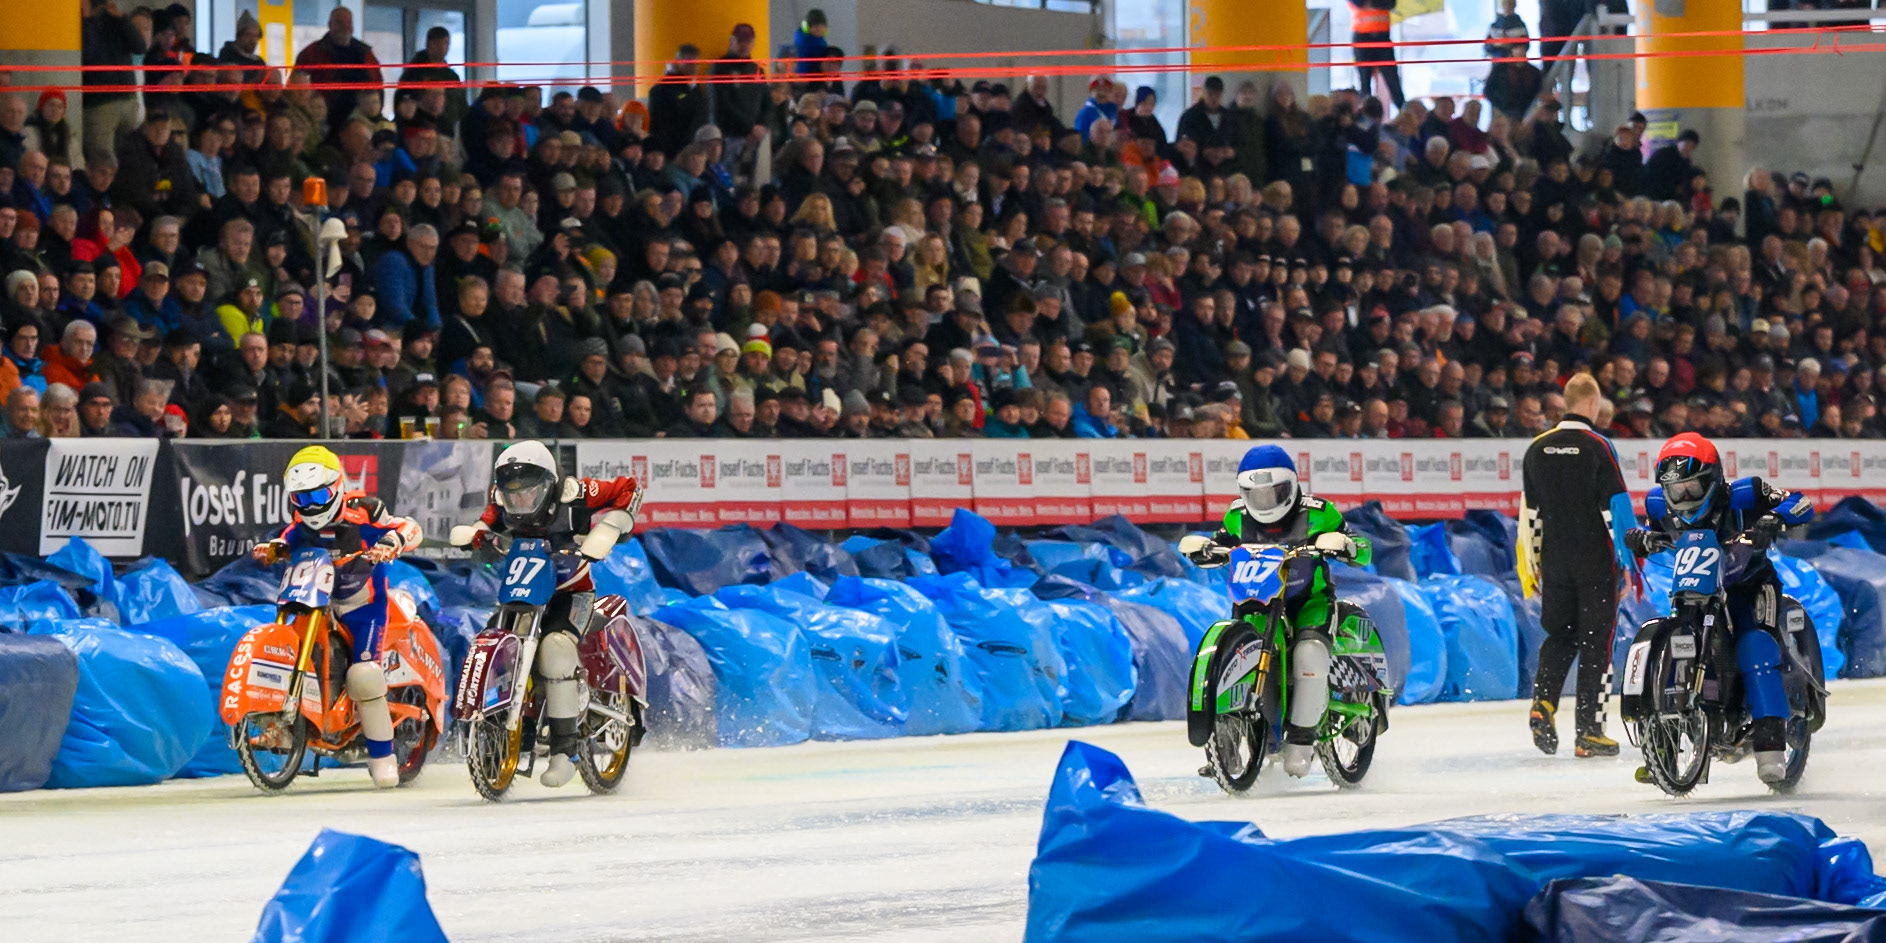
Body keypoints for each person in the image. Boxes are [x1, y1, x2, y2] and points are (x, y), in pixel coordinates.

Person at [1624, 432, 1813, 785]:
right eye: (1675, 491)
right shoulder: (1656, 505)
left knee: (1754, 645)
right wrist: (1642, 537)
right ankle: (1665, 746)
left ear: (1713, 480)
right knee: (1682, 633)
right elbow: (1653, 529)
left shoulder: (1747, 495)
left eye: (1692, 489)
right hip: (1696, 586)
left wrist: (1775, 519)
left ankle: (1771, 737)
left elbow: (1801, 503)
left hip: (1749, 585)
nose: (1683, 498)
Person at [455, 441, 643, 788]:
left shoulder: (577, 493)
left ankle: (564, 752)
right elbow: (488, 521)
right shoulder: (501, 500)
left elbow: (629, 488)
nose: (520, 502)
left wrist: (611, 525)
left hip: (572, 593)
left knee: (556, 647)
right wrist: (476, 534)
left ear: (549, 485)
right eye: (513, 496)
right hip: (522, 594)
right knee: (492, 637)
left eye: (529, 493)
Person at [1181, 445, 1374, 777]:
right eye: (1257, 495)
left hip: (1307, 602)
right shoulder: (1236, 515)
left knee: (1310, 654)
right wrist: (1206, 550)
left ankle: (1301, 740)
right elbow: (1221, 542)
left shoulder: (1320, 512)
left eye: (1274, 493)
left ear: (1292, 486)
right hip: (1256, 602)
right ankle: (1226, 743)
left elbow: (1363, 549)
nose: (1265, 502)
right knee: (1235, 652)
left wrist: (1346, 545)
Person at [250, 446, 422, 788]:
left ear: (337, 487)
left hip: (363, 604)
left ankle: (382, 755)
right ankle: (285, 723)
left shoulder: (365, 510)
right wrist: (273, 548)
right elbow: (286, 540)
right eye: (303, 497)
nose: (312, 504)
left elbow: (409, 526)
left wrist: (393, 540)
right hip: (315, 601)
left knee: (363, 677)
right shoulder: (300, 524)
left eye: (319, 494)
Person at [1517, 373, 1637, 758]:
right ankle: (1589, 731)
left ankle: (1543, 703)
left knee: (1559, 635)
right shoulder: (1599, 446)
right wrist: (1629, 563)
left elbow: (1528, 515)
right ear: (1594, 404)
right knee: (1596, 643)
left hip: (1554, 560)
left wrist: (1530, 566)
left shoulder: (1537, 449)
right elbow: (1616, 510)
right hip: (1594, 560)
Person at [1350, 0, 1404, 110]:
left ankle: (1403, 111)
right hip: (1363, 36)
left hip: (1382, 37)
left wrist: (1370, 3)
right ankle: (1365, 113)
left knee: (1392, 79)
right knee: (1364, 80)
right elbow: (1358, 3)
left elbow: (1390, 4)